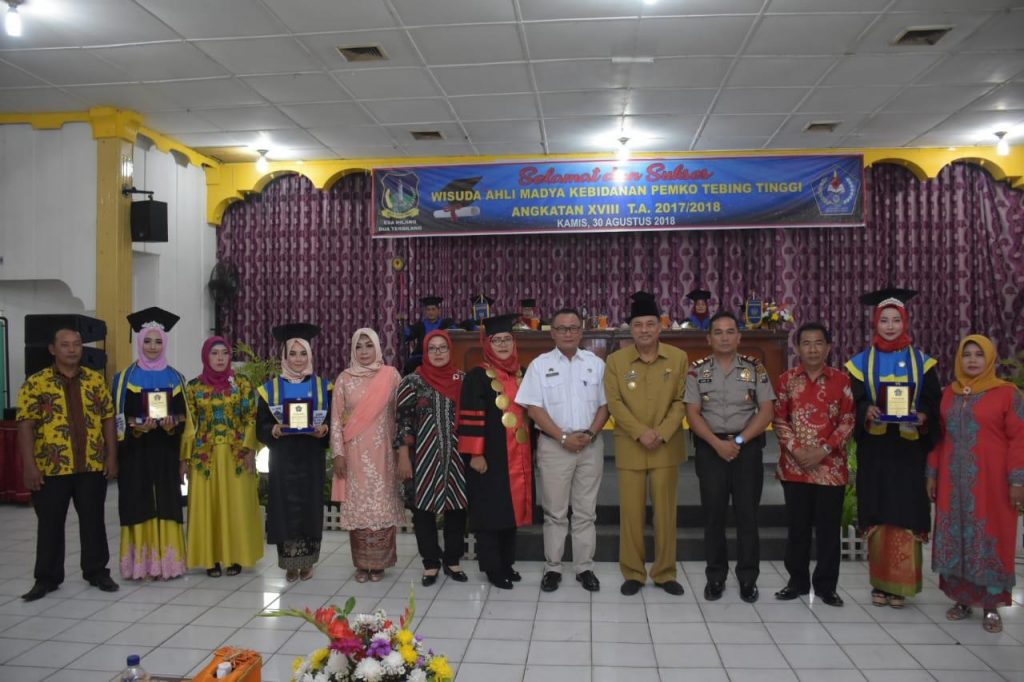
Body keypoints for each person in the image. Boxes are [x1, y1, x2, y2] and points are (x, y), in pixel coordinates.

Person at [845, 287, 940, 608]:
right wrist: (865, 411)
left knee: (905, 511)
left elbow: (932, 400)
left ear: (905, 322)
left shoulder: (922, 363)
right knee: (879, 510)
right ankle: (880, 584)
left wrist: (924, 414)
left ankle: (902, 585)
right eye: (883, 320)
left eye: (894, 320)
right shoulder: (860, 363)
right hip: (876, 450)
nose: (889, 326)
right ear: (875, 323)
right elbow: (853, 401)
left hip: (909, 450)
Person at [927, 334, 1024, 633]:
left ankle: (992, 605)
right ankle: (961, 599)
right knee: (956, 536)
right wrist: (931, 473)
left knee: (990, 535)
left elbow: (1019, 438)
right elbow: (939, 437)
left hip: (992, 482)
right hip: (953, 482)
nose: (972, 360)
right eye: (966, 354)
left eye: (978, 354)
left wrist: (1017, 479)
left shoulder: (1008, 393)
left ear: (990, 359)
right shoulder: (949, 394)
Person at [17, 325, 119, 601]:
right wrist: (29, 466)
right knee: (49, 523)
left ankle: (97, 571)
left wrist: (111, 456)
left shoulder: (95, 381)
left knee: (93, 521)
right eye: (65, 344)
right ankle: (47, 578)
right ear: (53, 349)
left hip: (91, 464)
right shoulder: (36, 383)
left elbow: (108, 418)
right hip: (51, 466)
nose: (72, 349)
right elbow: (25, 426)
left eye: (77, 344)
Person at [685, 311, 775, 603]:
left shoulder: (755, 369)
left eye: (729, 332)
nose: (724, 337)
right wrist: (716, 443)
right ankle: (716, 577)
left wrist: (737, 441)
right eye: (718, 332)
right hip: (710, 450)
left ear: (739, 336)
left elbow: (766, 411)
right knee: (714, 516)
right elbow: (693, 413)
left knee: (748, 516)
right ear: (708, 338)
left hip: (745, 448)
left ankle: (748, 578)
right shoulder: (696, 371)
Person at [517, 308, 609, 593]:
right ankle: (553, 568)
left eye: (573, 328)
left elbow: (605, 406)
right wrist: (563, 437)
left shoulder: (596, 364)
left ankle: (584, 567)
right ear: (552, 332)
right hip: (554, 446)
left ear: (581, 331)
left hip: (589, 445)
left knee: (585, 512)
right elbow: (533, 408)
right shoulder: (539, 365)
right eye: (562, 328)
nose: (568, 333)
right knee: (555, 513)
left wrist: (590, 433)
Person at [604, 292, 688, 597]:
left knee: (666, 513)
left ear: (660, 327)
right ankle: (634, 573)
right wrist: (641, 432)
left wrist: (661, 432)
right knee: (631, 514)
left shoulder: (678, 358)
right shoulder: (615, 361)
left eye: (650, 324)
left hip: (666, 446)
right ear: (630, 329)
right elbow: (614, 403)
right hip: (631, 445)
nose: (644, 330)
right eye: (637, 325)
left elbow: (681, 400)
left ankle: (665, 572)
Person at [772, 322, 855, 607]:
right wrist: (797, 450)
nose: (812, 348)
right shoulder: (786, 380)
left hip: (830, 468)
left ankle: (826, 586)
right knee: (797, 529)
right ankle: (796, 582)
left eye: (818, 343)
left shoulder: (841, 381)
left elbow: (848, 421)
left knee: (829, 531)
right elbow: (779, 419)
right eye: (806, 343)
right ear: (797, 348)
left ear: (828, 347)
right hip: (795, 469)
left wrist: (822, 450)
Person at [457, 313, 533, 589]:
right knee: (491, 512)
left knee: (510, 513)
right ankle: (492, 568)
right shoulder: (478, 375)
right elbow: (471, 417)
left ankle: (507, 563)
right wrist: (475, 454)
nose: (502, 344)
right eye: (496, 340)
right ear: (487, 343)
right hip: (489, 456)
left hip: (517, 455)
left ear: (514, 342)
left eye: (507, 339)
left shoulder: (521, 373)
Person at [113, 307, 188, 581]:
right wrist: (135, 428)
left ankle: (168, 565)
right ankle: (140, 565)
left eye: (158, 341)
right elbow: (117, 418)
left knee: (167, 502)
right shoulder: (123, 380)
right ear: (139, 342)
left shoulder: (176, 379)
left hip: (165, 453)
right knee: (137, 501)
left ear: (165, 343)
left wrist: (172, 427)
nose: (153, 347)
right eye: (147, 341)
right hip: (135, 454)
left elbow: (184, 418)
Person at [256, 323, 331, 583]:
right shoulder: (270, 389)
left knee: (310, 507)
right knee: (285, 507)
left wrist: (324, 429)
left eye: (302, 353)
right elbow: (261, 425)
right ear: (284, 357)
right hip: (284, 457)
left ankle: (308, 562)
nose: (298, 359)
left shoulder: (324, 388)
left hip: (311, 456)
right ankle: (289, 563)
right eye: (292, 354)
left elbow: (332, 424)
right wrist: (274, 429)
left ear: (310, 356)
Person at [182, 336, 263, 577]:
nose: (219, 358)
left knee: (236, 506)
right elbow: (189, 425)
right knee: (208, 507)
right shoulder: (194, 387)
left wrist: (249, 449)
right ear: (206, 357)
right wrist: (184, 459)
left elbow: (251, 416)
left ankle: (235, 556)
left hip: (237, 456)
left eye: (224, 353)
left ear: (229, 357)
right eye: (214, 353)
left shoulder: (243, 384)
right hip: (204, 458)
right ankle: (210, 558)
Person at [395, 329, 469, 586]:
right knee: (423, 509)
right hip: (422, 456)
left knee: (457, 508)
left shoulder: (462, 379)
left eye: (443, 348)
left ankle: (452, 559)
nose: (438, 353)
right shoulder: (412, 382)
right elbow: (402, 421)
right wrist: (403, 456)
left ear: (450, 350)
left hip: (457, 455)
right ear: (425, 352)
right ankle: (430, 562)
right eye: (432, 348)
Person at [330, 328, 404, 582]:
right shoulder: (344, 379)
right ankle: (362, 564)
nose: (363, 352)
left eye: (368, 346)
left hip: (384, 454)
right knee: (359, 506)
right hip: (355, 455)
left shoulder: (391, 376)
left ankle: (380, 563)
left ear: (377, 348)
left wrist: (402, 450)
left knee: (381, 506)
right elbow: (336, 420)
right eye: (359, 346)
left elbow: (402, 414)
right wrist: (337, 454)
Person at [402, 296, 455, 374]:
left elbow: (455, 330)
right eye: (428, 309)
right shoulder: (420, 325)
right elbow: (409, 333)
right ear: (425, 312)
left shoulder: (445, 323)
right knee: (410, 365)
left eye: (433, 309)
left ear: (439, 311)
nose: (431, 312)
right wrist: (403, 327)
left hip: (439, 354)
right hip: (422, 356)